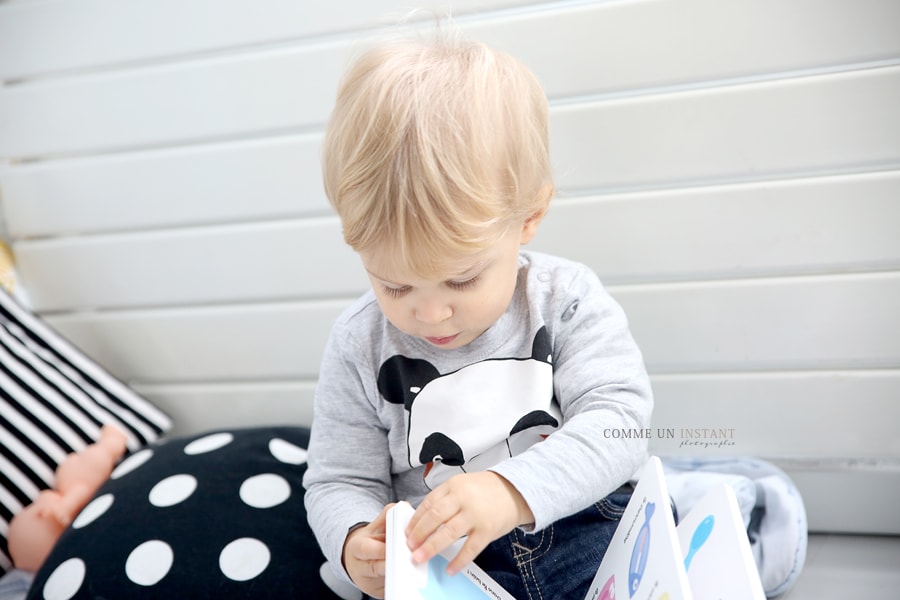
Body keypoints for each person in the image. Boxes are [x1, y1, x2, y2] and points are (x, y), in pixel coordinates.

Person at [303, 28, 653, 600]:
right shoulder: (357, 344)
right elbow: (339, 479)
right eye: (393, 285)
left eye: (462, 278)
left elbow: (619, 423)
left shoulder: (563, 298)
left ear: (529, 217)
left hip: (582, 530)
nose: (431, 312)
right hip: (445, 572)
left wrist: (510, 492)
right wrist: (352, 544)